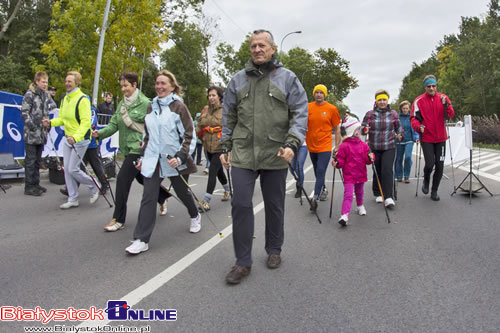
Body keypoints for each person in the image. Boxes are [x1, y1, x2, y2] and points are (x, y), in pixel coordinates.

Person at [220, 29, 308, 284]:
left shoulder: (288, 78)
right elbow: (229, 116)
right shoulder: (237, 80)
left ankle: (274, 249)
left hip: (275, 153)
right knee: (241, 204)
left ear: (272, 49)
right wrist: (226, 145)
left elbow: (300, 113)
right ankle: (242, 262)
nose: (257, 49)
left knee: (274, 205)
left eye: (262, 45)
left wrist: (292, 143)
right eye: (253, 46)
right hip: (244, 152)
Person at [125, 70, 200, 255]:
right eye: (157, 83)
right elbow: (148, 136)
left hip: (175, 160)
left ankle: (195, 214)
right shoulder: (151, 107)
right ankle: (141, 239)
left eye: (163, 83)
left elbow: (189, 135)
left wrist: (181, 157)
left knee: (182, 192)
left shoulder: (179, 107)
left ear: (172, 86)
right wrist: (143, 158)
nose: (159, 86)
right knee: (148, 197)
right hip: (154, 160)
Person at [93, 72, 171, 232]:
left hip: (139, 148)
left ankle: (118, 219)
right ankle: (163, 198)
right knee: (142, 179)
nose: (123, 89)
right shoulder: (122, 104)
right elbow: (113, 124)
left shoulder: (146, 103)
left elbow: (155, 127)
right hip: (126, 149)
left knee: (122, 179)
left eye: (126, 86)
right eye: (121, 86)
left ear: (134, 85)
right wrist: (99, 134)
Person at [42, 71, 99, 209]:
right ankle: (73, 198)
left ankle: (94, 185)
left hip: (80, 139)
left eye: (70, 81)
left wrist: (76, 137)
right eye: (66, 81)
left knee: (73, 169)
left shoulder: (82, 99)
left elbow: (86, 123)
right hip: (68, 139)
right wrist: (50, 122)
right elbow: (62, 119)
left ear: (76, 83)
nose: (67, 83)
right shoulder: (65, 99)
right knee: (66, 170)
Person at [410, 75, 454, 201]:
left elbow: (450, 114)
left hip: (441, 138)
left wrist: (447, 105)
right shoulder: (419, 101)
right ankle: (426, 179)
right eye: (429, 86)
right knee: (429, 163)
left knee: (440, 165)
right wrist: (419, 127)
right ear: (425, 87)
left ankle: (434, 191)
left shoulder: (443, 98)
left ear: (436, 86)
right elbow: (413, 118)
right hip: (427, 137)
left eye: (433, 86)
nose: (431, 88)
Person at [361, 89, 402, 208]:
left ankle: (388, 197)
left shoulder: (393, 113)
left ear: (387, 100)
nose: (382, 102)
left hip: (389, 146)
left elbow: (399, 127)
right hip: (374, 147)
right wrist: (364, 130)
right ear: (376, 101)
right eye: (380, 100)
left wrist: (400, 134)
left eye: (384, 99)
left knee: (387, 170)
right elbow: (362, 129)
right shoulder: (370, 114)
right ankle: (378, 192)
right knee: (377, 170)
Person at [332, 116, 373, 226]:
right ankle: (344, 215)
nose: (359, 131)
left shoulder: (364, 145)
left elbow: (367, 160)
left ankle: (360, 206)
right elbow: (340, 160)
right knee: (348, 194)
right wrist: (336, 163)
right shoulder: (344, 146)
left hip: (360, 173)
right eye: (356, 129)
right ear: (350, 130)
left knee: (360, 192)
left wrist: (370, 158)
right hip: (349, 175)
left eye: (359, 129)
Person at [21, 71, 57, 196]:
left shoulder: (46, 95)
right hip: (31, 134)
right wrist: (32, 126)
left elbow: (53, 106)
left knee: (37, 160)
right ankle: (29, 186)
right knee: (30, 160)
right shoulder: (30, 94)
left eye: (46, 82)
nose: (45, 84)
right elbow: (24, 113)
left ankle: (35, 183)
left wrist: (48, 123)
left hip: (42, 134)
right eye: (43, 82)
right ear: (37, 82)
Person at [196, 86, 231, 211]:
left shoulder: (225, 110)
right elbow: (199, 125)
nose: (211, 97)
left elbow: (229, 127)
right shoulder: (205, 110)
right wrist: (198, 134)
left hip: (220, 146)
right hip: (208, 146)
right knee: (218, 171)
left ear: (220, 97)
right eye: (209, 95)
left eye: (213, 95)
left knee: (212, 170)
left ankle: (206, 200)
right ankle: (227, 190)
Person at [305, 84, 341, 204]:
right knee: (316, 170)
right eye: (317, 92)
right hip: (311, 145)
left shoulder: (332, 109)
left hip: (325, 145)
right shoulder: (308, 107)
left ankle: (315, 197)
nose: (319, 94)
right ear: (314, 94)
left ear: (324, 95)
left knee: (321, 170)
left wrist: (336, 146)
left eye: (321, 92)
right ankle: (323, 188)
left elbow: (337, 129)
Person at [395, 100, 419, 183]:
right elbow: (393, 128)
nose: (405, 110)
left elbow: (415, 128)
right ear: (401, 109)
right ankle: (399, 175)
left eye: (406, 108)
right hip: (399, 141)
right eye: (403, 108)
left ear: (409, 109)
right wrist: (396, 135)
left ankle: (406, 176)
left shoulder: (412, 117)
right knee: (399, 159)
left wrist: (417, 137)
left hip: (409, 140)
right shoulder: (397, 118)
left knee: (408, 157)